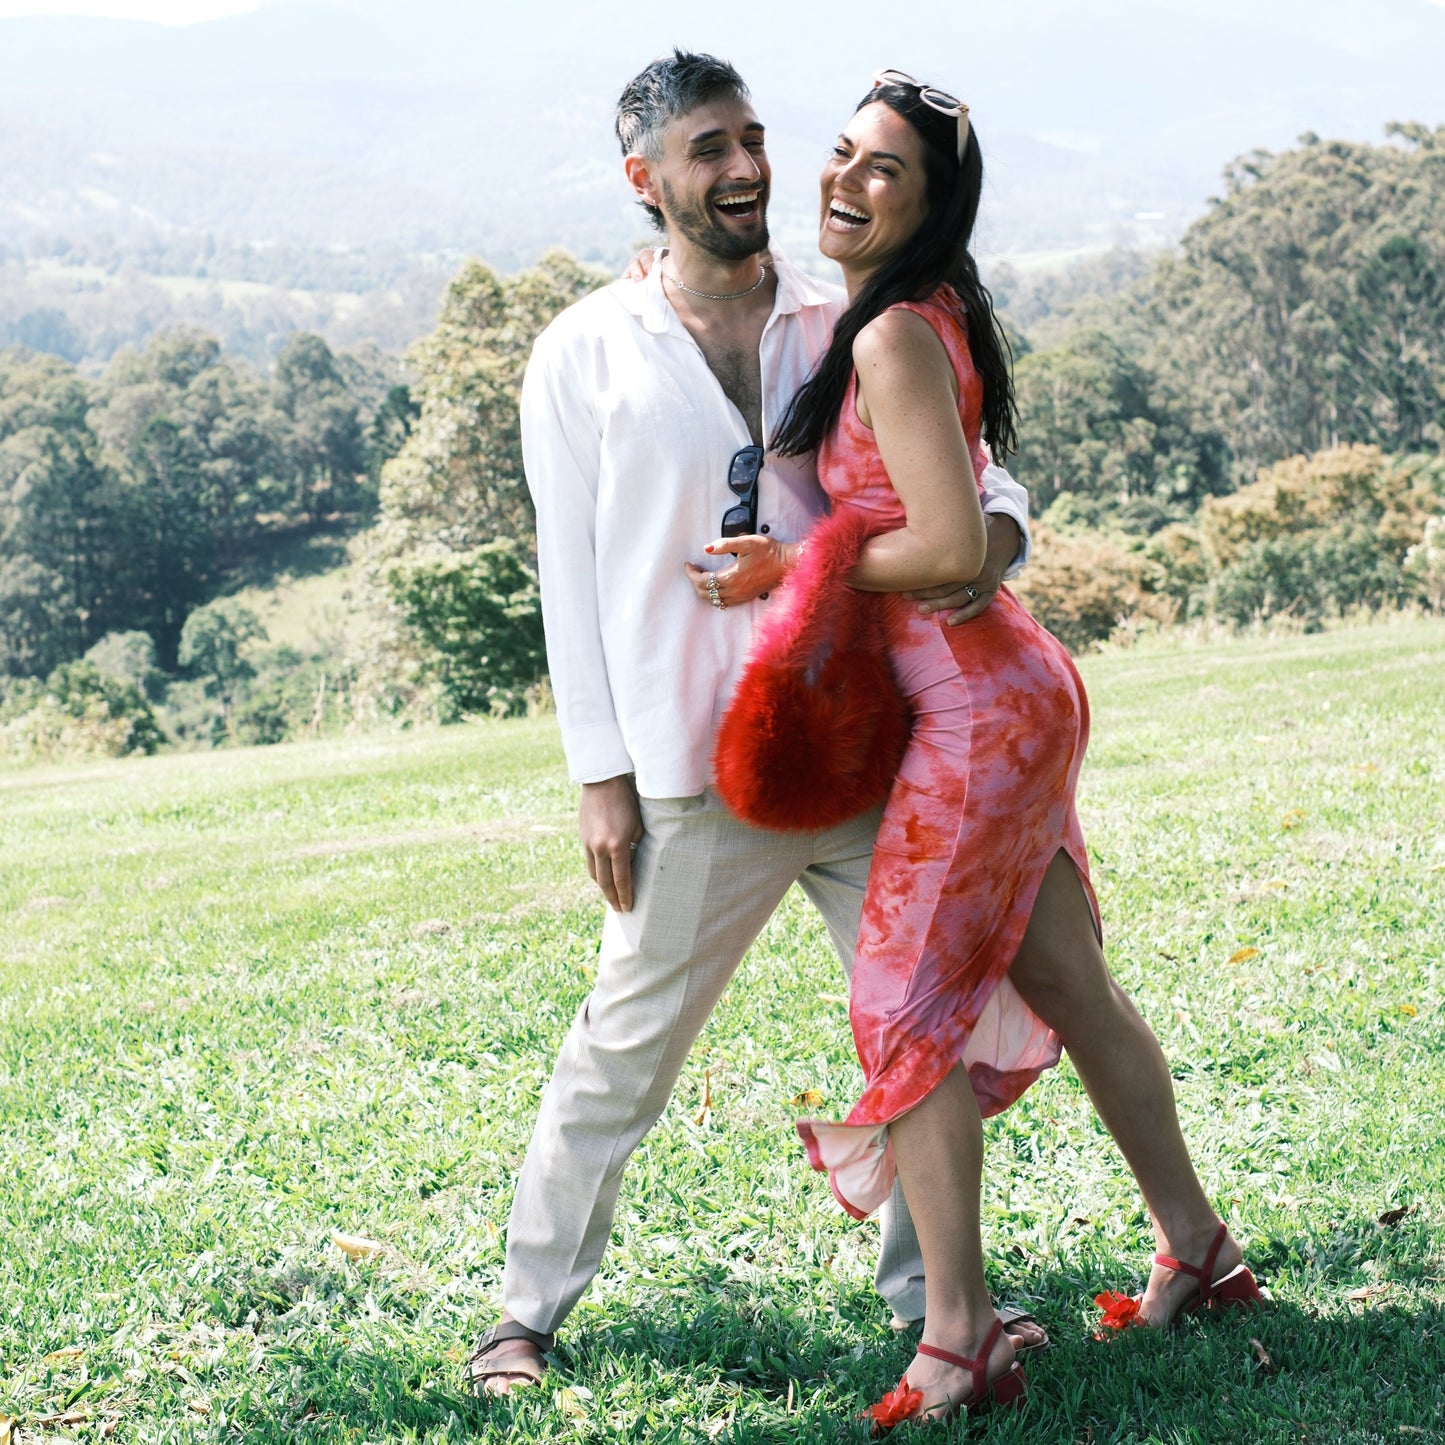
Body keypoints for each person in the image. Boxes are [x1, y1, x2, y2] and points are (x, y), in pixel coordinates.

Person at [462, 50, 1043, 1395]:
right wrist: (597, 775)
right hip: (688, 773)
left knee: (919, 1025)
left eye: (752, 139)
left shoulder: (845, 313)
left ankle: (938, 1300)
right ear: (643, 180)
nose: (742, 170)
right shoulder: (581, 354)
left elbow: (970, 468)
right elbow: (568, 577)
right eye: (706, 150)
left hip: (857, 749)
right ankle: (523, 1311)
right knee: (620, 1046)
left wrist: (989, 539)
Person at [731, 72, 1260, 1426]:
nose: (845, 181)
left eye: (883, 170)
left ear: (931, 200)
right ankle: (1199, 1253)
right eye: (839, 155)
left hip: (976, 707)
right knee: (1071, 985)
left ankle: (958, 1335)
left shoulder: (895, 335)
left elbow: (953, 545)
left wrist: (799, 561)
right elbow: (962, 534)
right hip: (1010, 688)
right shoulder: (926, 313)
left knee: (901, 1011)